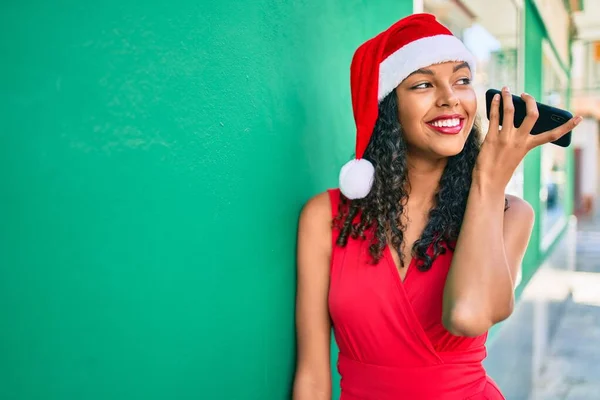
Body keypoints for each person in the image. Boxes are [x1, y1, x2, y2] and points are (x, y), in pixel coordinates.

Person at [292, 13, 581, 400]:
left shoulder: (513, 215)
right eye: (424, 84)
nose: (450, 98)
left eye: (462, 80)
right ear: (387, 107)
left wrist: (489, 182)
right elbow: (312, 375)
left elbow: (466, 316)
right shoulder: (325, 217)